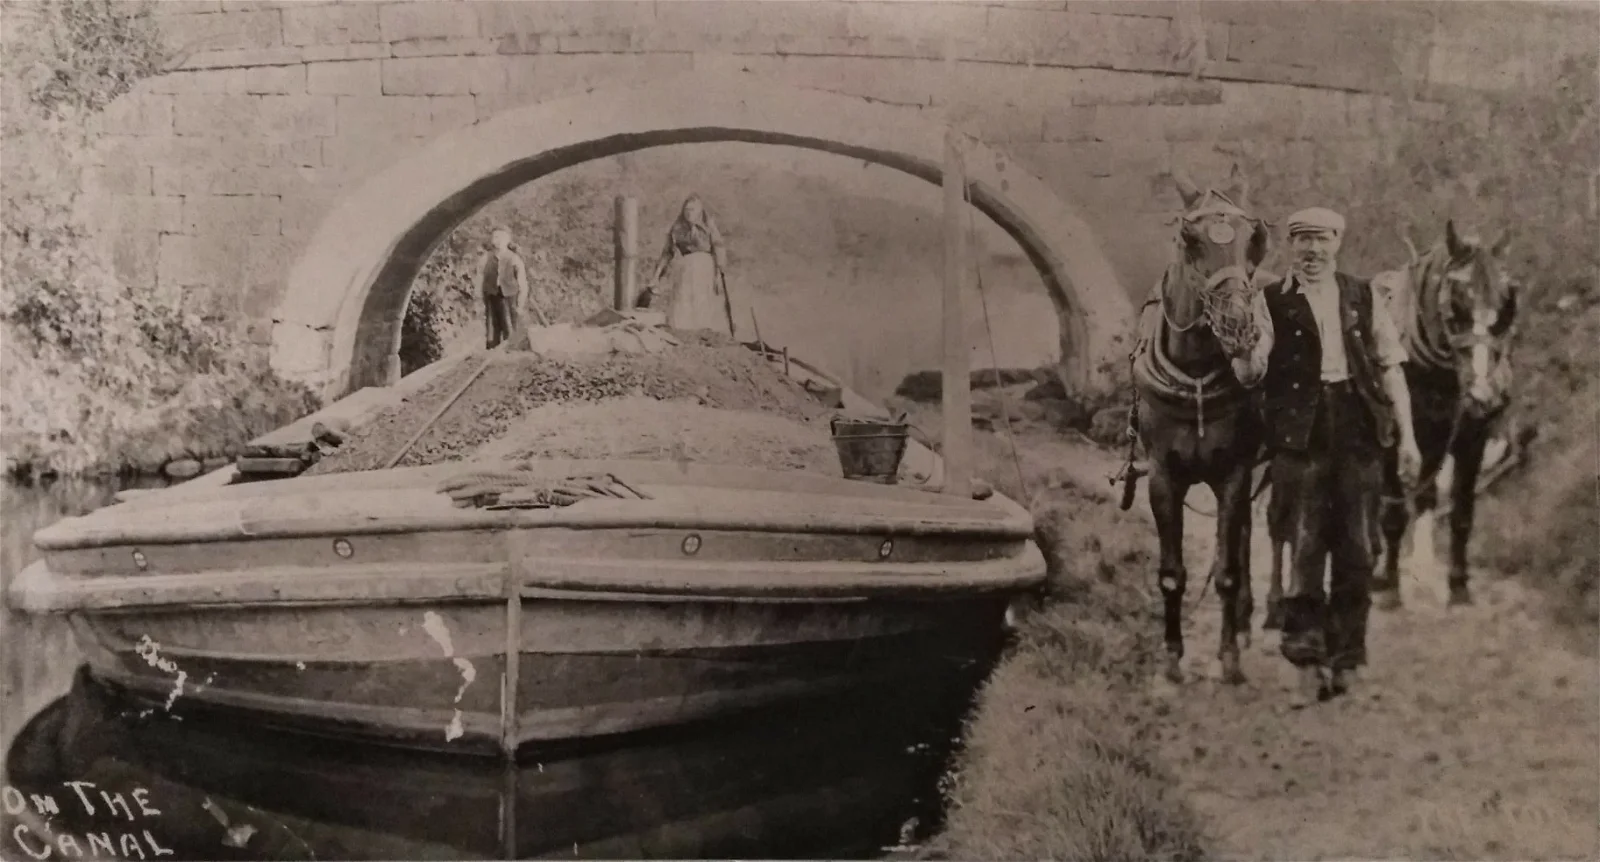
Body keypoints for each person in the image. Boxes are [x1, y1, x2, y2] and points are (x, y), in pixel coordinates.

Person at [1260, 207, 1421, 706]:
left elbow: (1391, 368)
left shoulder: (1360, 295)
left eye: (1322, 239)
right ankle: (1307, 660)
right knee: (1305, 548)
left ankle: (1347, 656)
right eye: (1303, 240)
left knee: (1358, 549)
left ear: (1338, 243)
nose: (1313, 250)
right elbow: (1252, 367)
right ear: (1290, 246)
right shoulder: (1271, 302)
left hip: (1357, 429)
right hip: (1298, 437)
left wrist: (1409, 439)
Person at [650, 194, 734, 337]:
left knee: (702, 301)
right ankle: (686, 334)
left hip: (705, 268)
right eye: (687, 210)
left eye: (693, 210)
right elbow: (666, 253)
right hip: (685, 268)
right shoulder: (677, 228)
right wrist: (656, 276)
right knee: (683, 301)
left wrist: (718, 275)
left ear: (700, 211)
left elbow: (718, 249)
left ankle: (705, 333)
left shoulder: (708, 227)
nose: (689, 213)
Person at [477, 225, 536, 349]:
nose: (497, 240)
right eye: (495, 237)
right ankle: (492, 355)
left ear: (508, 240)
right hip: (492, 298)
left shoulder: (514, 259)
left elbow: (522, 284)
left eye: (500, 237)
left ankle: (510, 356)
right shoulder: (485, 258)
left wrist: (520, 304)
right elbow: (480, 279)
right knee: (492, 332)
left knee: (510, 330)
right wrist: (481, 298)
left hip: (509, 299)